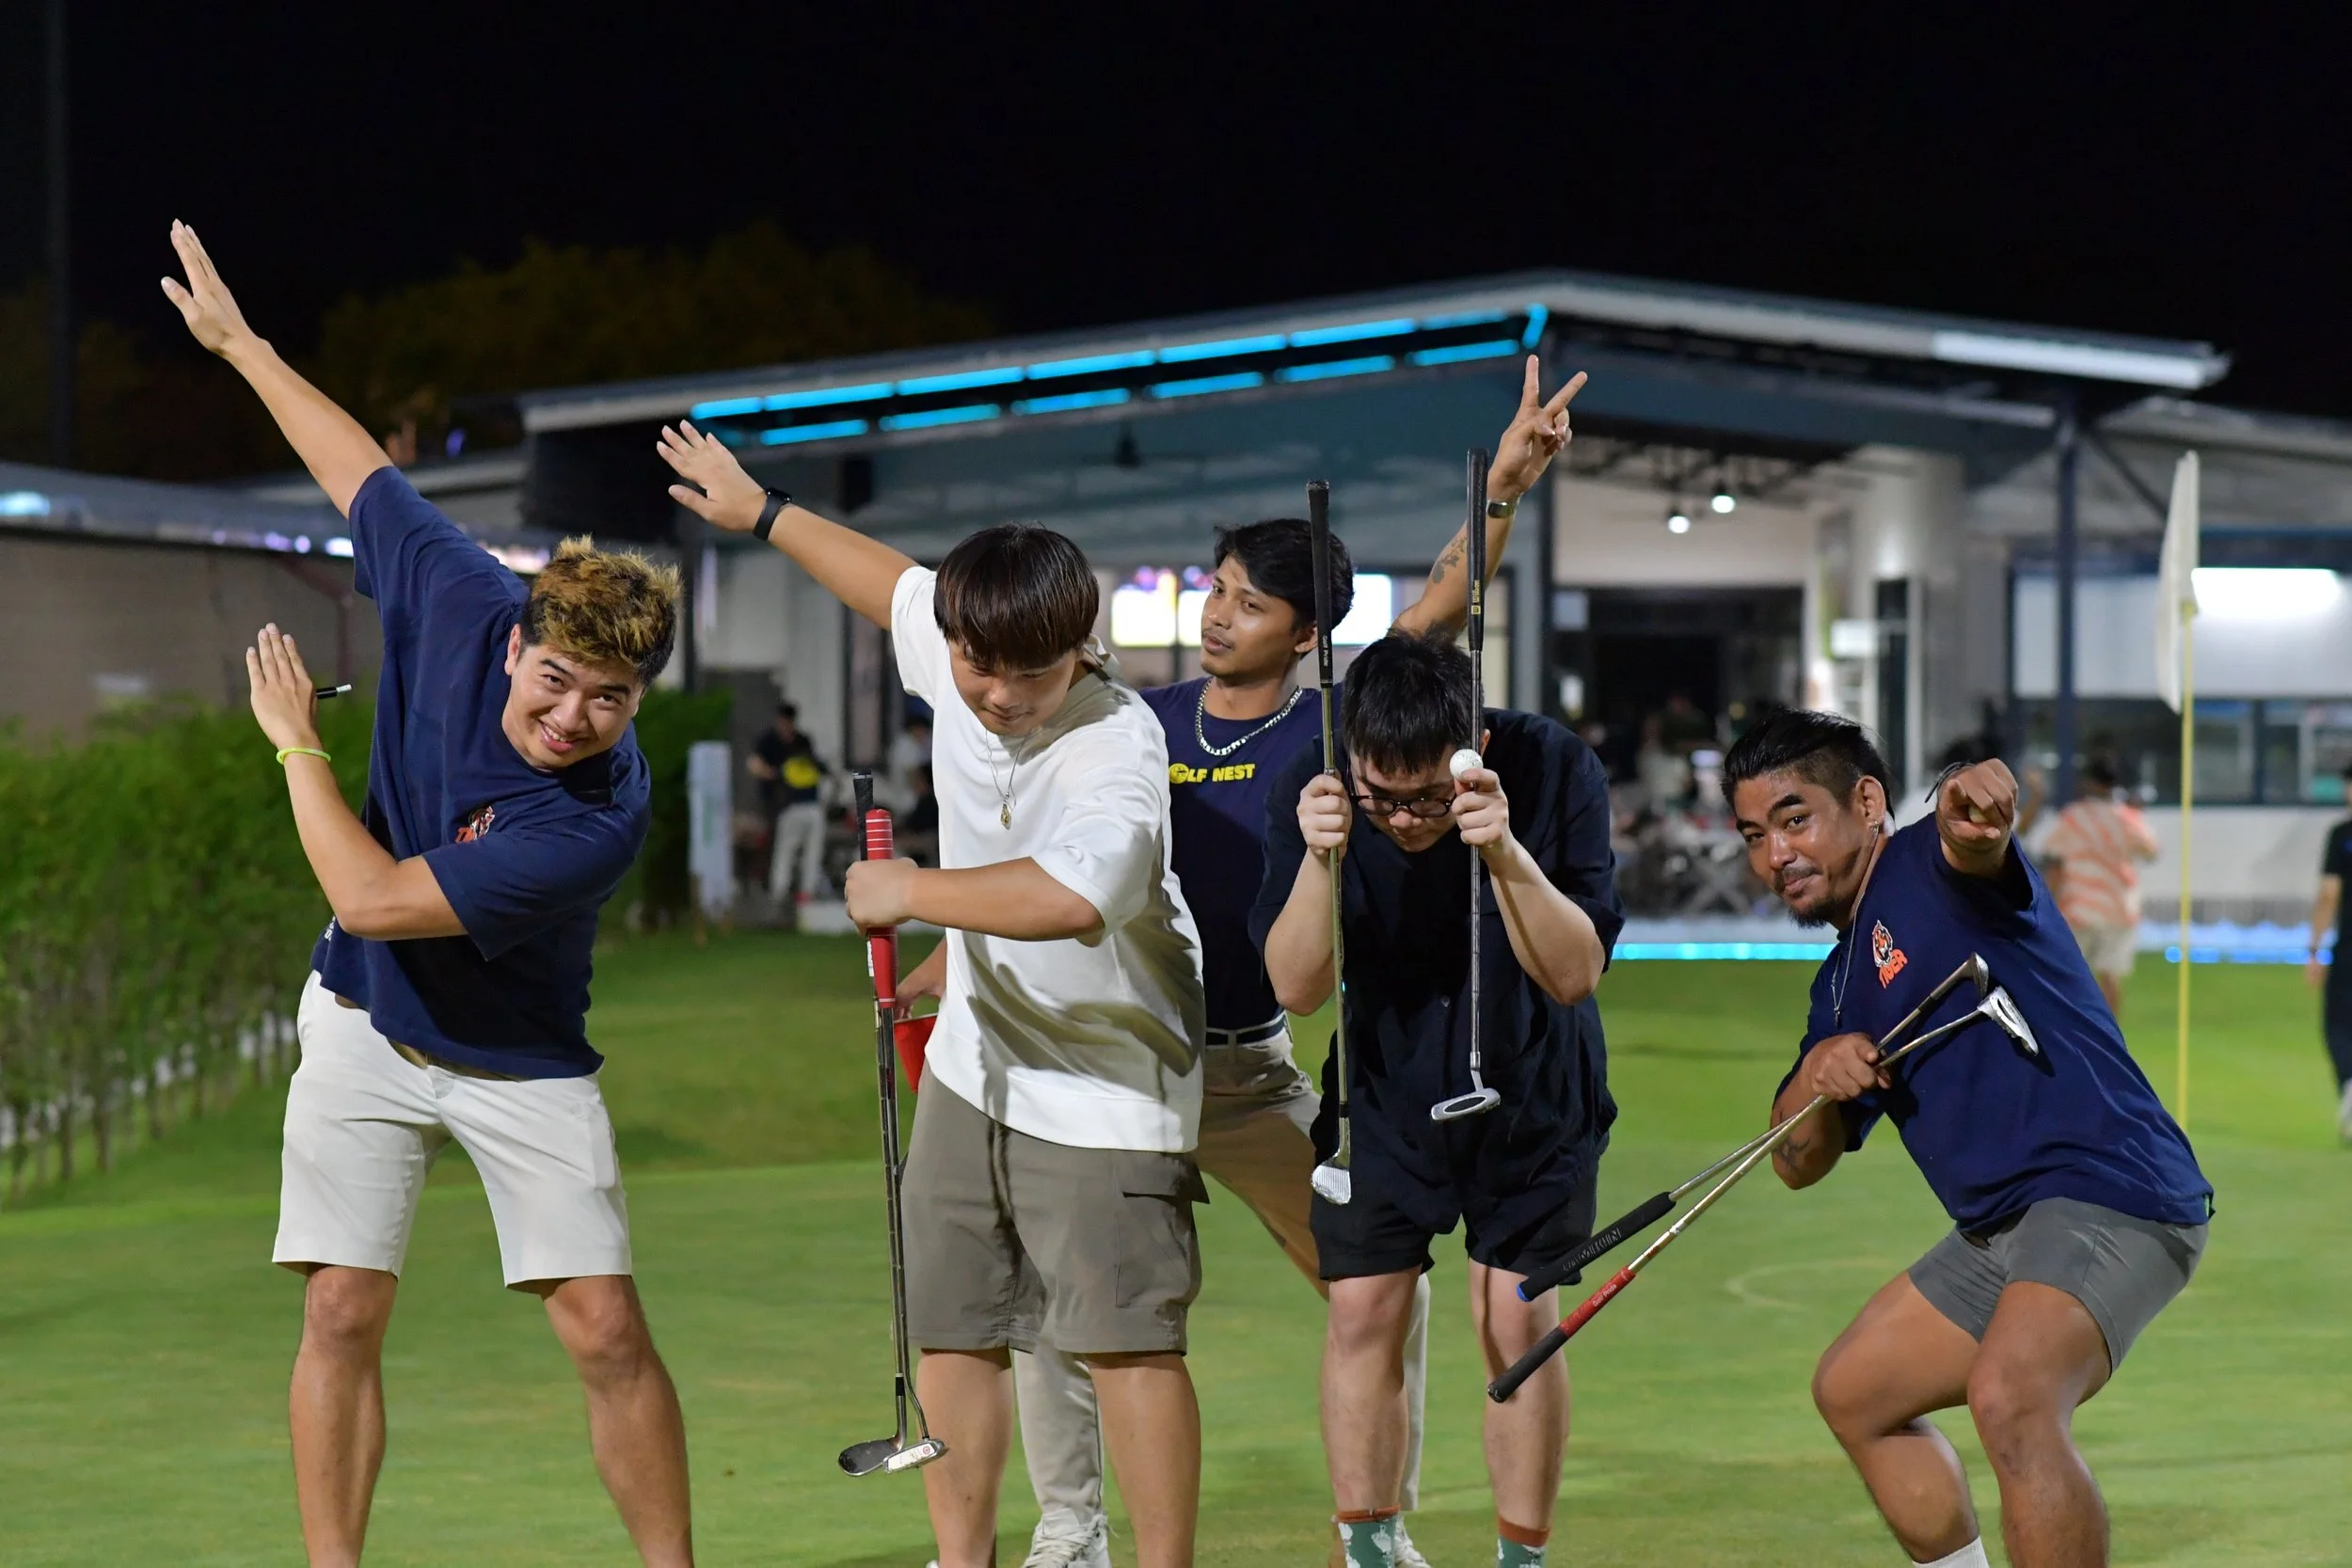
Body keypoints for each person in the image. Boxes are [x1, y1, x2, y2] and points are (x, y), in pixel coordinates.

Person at [895, 354, 1581, 1568]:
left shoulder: (1333, 715)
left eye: (1249, 601)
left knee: (1372, 1279)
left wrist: (1505, 492)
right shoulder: (1129, 719)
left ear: (1306, 630)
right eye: (1214, 591)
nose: (1219, 614)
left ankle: (1380, 1522)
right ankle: (1072, 1530)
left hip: (1246, 1067)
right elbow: (1047, 854)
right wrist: (962, 951)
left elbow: (1437, 605)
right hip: (1109, 1057)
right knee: (1063, 1304)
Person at [162, 221, 694, 1566]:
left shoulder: (594, 814)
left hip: (516, 1054)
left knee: (604, 1326)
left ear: (641, 700)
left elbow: (376, 893)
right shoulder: (461, 593)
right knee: (341, 1305)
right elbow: (356, 467)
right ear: (516, 635)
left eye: (612, 698)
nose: (574, 716)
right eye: (556, 679)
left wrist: (293, 739)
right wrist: (244, 346)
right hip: (366, 1020)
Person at [656, 422, 1207, 1568]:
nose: (999, 694)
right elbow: (888, 582)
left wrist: (911, 888)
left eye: (1030, 671)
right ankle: (962, 1560)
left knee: (1124, 1343)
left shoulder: (1119, 744)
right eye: (976, 665)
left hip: (1105, 1083)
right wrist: (761, 511)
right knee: (952, 1325)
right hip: (974, 1066)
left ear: (1085, 646)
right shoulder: (955, 642)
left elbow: (1072, 896)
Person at [1723, 710, 2212, 1568]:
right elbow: (1795, 1161)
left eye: (1795, 819)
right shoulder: (1837, 990)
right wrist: (1819, 1075)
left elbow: (1974, 834)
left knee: (2011, 1393)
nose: (1776, 856)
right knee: (1855, 1391)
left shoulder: (1927, 864)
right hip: (2001, 1233)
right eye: (1756, 835)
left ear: (1867, 801)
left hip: (2113, 1190)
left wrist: (1975, 804)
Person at [1257, 631, 1623, 1568]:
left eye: (1426, 795)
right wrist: (1319, 853)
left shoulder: (1551, 765)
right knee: (1363, 1312)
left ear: (1476, 750)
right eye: (1386, 796)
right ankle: (1371, 1546)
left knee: (1514, 1321)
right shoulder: (1318, 781)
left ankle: (1521, 1556)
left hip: (1535, 1086)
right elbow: (1296, 987)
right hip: (1382, 1092)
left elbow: (1575, 971)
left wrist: (1499, 845)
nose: (1407, 817)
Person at [2038, 753, 2159, 1018]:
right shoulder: (2128, 817)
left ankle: (2074, 1035)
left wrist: (2046, 905)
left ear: (2088, 782)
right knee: (2110, 977)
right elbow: (2151, 851)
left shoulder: (2073, 817)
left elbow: (2054, 861)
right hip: (2119, 907)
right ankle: (2110, 1040)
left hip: (2078, 905)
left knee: (2070, 976)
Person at [2303, 757, 2352, 1141]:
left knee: (2336, 1024)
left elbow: (2328, 896)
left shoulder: (2343, 835)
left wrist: (2314, 950)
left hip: (2348, 948)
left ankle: (2350, 1087)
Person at [749, 702, 831, 905]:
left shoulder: (802, 741)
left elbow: (817, 768)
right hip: (785, 805)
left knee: (808, 852)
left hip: (807, 804)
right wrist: (774, 775)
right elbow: (755, 765)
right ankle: (780, 894)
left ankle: (804, 893)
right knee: (784, 850)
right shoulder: (769, 741)